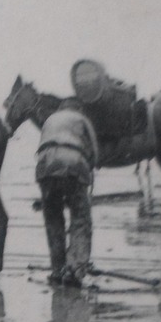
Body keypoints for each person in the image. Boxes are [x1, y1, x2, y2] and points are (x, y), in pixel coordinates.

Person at [34, 98, 98, 287]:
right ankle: (75, 269)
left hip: (45, 165)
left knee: (53, 218)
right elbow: (94, 152)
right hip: (73, 163)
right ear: (78, 109)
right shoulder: (81, 119)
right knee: (80, 218)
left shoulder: (50, 120)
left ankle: (57, 269)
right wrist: (89, 170)